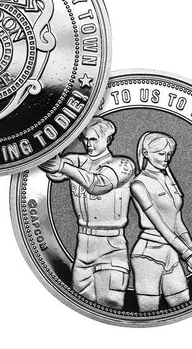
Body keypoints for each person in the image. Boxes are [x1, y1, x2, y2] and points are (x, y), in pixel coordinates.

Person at [40, 117, 135, 309]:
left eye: (94, 140)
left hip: (111, 247)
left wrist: (62, 166)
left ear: (108, 139)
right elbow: (53, 172)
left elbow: (98, 185)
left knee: (110, 305)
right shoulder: (78, 161)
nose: (88, 144)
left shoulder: (123, 165)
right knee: (82, 306)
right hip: (83, 248)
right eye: (85, 139)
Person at [130, 132, 192, 312]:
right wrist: (188, 256)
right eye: (161, 153)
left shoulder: (167, 178)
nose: (166, 158)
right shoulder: (138, 184)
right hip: (148, 253)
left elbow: (177, 220)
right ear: (146, 153)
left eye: (169, 154)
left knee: (183, 306)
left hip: (172, 252)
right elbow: (161, 227)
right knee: (148, 312)